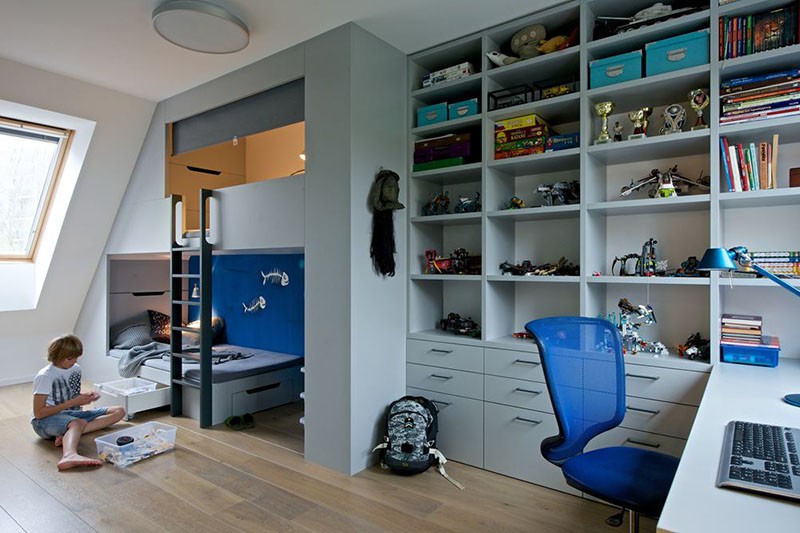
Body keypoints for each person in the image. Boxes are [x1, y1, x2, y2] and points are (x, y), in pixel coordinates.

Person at [31, 334, 126, 471]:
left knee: (119, 411)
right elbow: (39, 413)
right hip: (44, 421)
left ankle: (68, 434)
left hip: (72, 414)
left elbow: (72, 396)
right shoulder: (45, 376)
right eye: (70, 358)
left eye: (77, 357)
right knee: (78, 423)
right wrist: (73, 402)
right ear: (56, 356)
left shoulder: (75, 369)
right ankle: (69, 455)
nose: (74, 361)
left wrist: (86, 397)